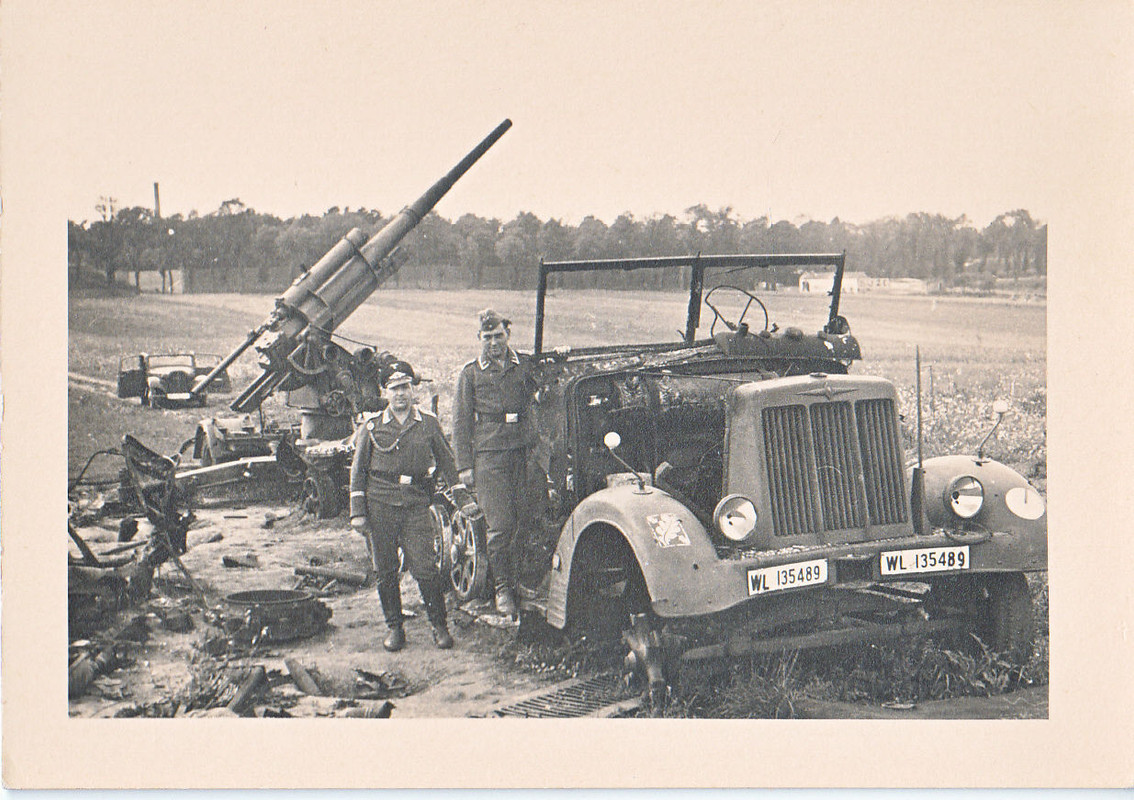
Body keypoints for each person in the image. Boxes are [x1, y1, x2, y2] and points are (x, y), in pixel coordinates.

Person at [349, 360, 459, 651]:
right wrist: (358, 513)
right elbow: (358, 471)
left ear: (413, 390)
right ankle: (395, 627)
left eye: (406, 387)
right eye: (395, 388)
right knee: (385, 570)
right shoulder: (371, 427)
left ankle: (438, 625)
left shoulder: (429, 422)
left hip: (414, 504)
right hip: (379, 505)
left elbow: (447, 462)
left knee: (425, 567)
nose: (401, 394)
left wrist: (463, 499)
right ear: (386, 392)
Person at [452, 309, 536, 618]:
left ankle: (521, 581)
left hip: (525, 452)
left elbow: (548, 383)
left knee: (527, 520)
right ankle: (502, 589)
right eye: (487, 337)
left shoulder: (524, 365)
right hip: (489, 457)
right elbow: (460, 423)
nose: (493, 343)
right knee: (500, 526)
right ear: (479, 339)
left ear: (508, 334)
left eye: (498, 335)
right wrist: (464, 467)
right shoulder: (471, 373)